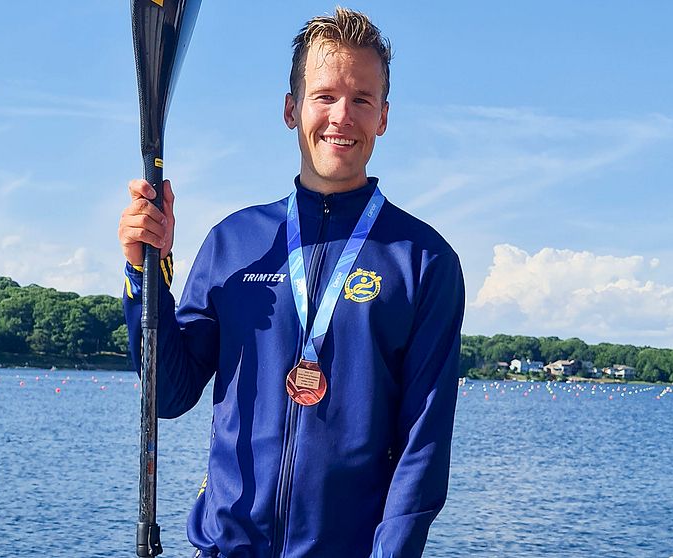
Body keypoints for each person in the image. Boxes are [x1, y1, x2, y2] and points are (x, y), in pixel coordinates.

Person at [119, 8, 465, 557]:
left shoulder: (424, 262)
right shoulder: (233, 242)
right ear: (291, 109)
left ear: (384, 117)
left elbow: (422, 448)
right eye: (324, 96)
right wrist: (145, 273)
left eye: (362, 100)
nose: (341, 117)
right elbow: (168, 394)